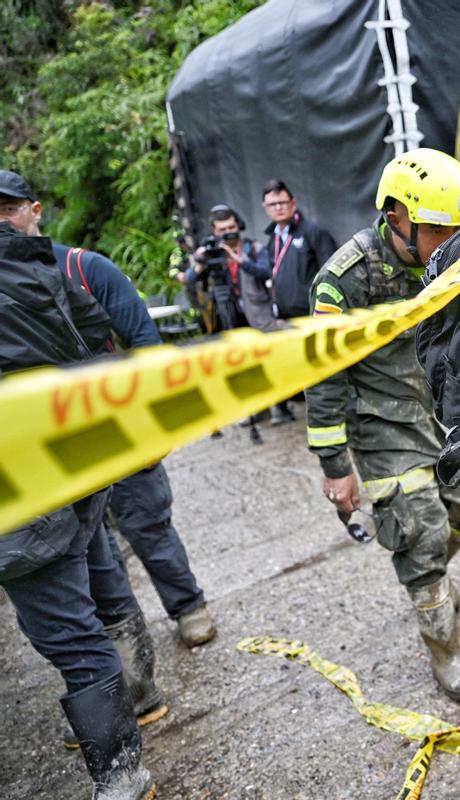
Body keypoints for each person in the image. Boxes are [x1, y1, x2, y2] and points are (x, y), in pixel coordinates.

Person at [1, 170, 217, 650]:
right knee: (95, 551)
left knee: (147, 525)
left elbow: (144, 343)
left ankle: (188, 607)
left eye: (9, 209)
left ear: (35, 211)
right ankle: (124, 644)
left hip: (118, 430)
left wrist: (153, 425)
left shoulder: (84, 268)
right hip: (60, 450)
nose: (3, 221)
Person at [304, 149, 460, 702]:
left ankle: (428, 576)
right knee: (421, 527)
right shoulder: (344, 279)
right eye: (437, 229)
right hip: (380, 422)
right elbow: (324, 375)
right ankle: (445, 650)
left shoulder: (451, 260)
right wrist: (335, 467)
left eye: (458, 228)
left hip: (440, 411)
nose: (451, 240)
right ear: (395, 217)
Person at [0, 214, 156, 800]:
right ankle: (140, 695)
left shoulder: (66, 263)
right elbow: (96, 338)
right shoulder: (32, 263)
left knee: (67, 631)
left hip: (26, 489)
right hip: (76, 465)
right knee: (100, 574)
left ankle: (122, 776)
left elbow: (132, 339)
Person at [262, 178, 337, 424]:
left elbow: (331, 271)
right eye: (272, 204)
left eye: (283, 202)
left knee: (321, 371)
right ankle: (294, 410)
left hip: (312, 318)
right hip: (284, 319)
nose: (278, 208)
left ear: (293, 203)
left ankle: (329, 415)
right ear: (265, 207)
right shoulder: (272, 238)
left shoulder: (314, 232)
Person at [185, 204, 274, 332]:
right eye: (222, 229)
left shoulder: (254, 248)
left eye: (231, 227)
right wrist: (201, 263)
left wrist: (241, 261)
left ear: (239, 226)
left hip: (257, 317)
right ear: (214, 231)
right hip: (222, 318)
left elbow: (266, 272)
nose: (228, 232)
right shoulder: (210, 253)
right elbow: (189, 279)